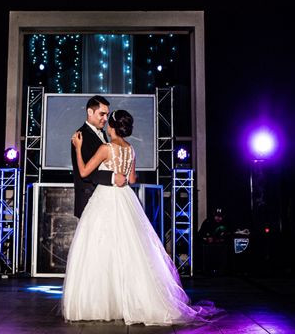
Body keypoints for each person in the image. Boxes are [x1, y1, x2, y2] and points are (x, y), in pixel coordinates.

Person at [63, 109, 222, 325]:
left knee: (100, 247)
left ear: (112, 127)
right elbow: (132, 177)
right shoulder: (130, 149)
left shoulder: (106, 148)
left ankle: (104, 303)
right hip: (125, 198)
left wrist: (79, 148)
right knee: (130, 249)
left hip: (105, 200)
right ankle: (132, 300)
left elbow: (83, 172)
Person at [71, 95, 127, 218]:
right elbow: (87, 172)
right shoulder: (81, 135)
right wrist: (113, 177)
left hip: (105, 197)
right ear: (90, 112)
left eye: (107, 115)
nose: (106, 118)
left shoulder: (102, 133)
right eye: (102, 114)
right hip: (89, 197)